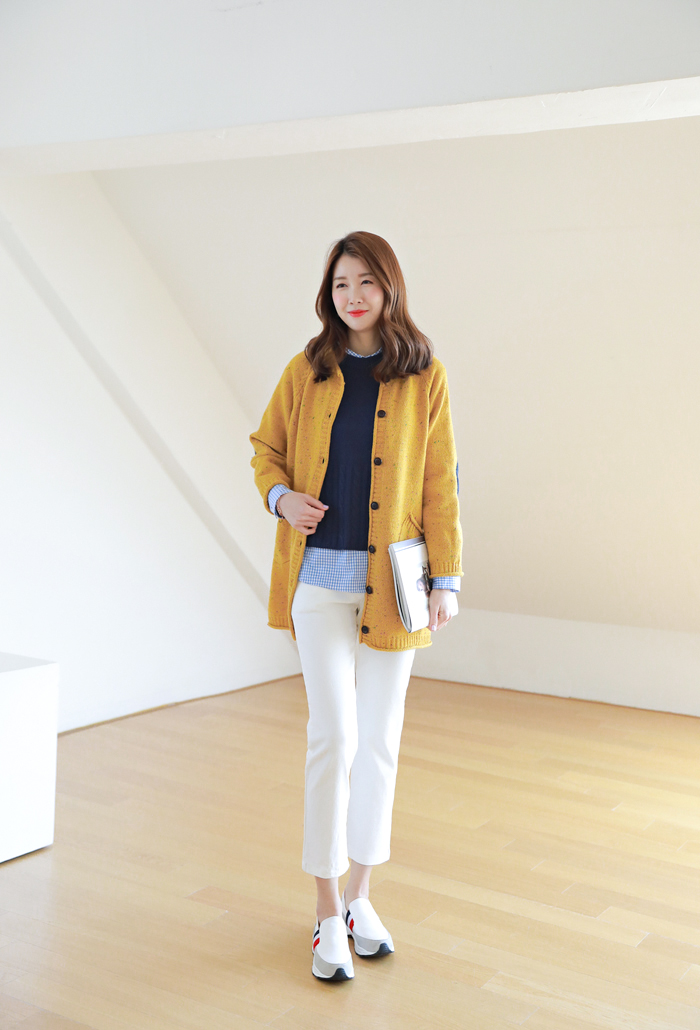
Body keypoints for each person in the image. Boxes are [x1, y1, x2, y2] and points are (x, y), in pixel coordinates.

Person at [250, 231, 462, 981]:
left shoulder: (424, 374)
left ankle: (359, 901)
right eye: (341, 283)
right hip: (317, 583)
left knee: (379, 743)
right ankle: (323, 911)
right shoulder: (306, 370)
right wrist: (281, 498)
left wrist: (447, 579)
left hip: (394, 589)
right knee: (333, 737)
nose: (353, 296)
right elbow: (265, 450)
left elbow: (440, 483)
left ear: (389, 287)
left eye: (366, 281)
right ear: (328, 293)